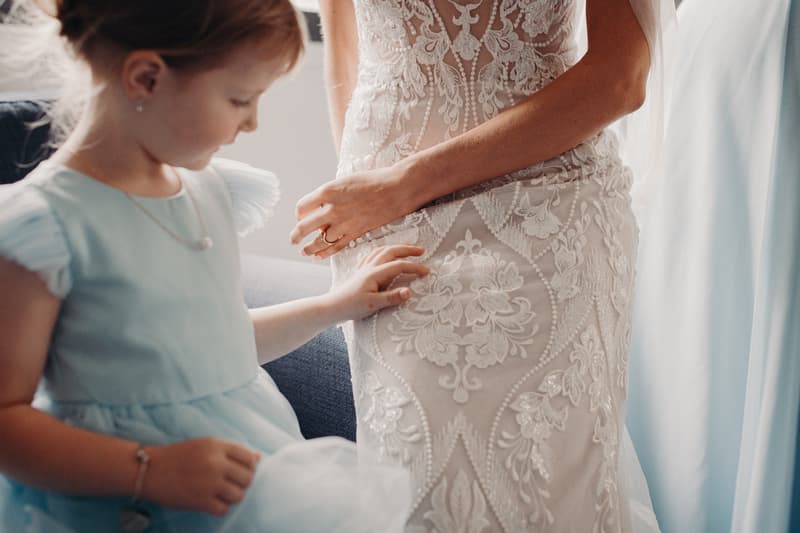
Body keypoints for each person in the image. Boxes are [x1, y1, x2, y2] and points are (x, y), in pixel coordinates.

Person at [0, 1, 430, 531]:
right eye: (239, 99)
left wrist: (333, 306)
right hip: (116, 502)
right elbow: (5, 419)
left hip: (242, 476)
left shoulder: (206, 191)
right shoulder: (44, 227)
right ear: (146, 77)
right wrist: (151, 471)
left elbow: (217, 348)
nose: (251, 122)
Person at [291, 0, 674, 531]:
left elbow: (621, 76)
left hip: (550, 201)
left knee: (547, 476)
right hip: (391, 217)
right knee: (415, 471)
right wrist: (364, 198)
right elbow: (347, 53)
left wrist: (402, 185)